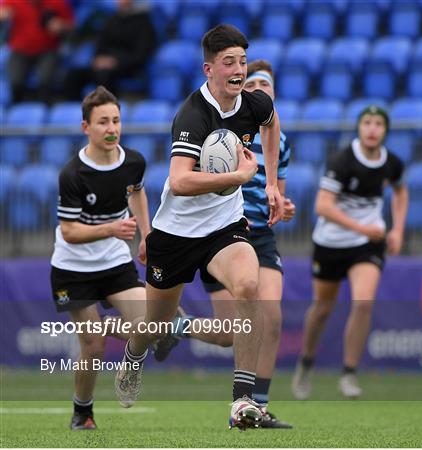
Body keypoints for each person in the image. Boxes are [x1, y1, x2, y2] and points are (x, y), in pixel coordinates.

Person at [114, 25, 284, 431]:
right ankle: (134, 356)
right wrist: (242, 177)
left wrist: (273, 184)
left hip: (224, 226)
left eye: (243, 61)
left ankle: (242, 402)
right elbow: (179, 181)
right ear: (209, 69)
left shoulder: (254, 103)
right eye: (229, 63)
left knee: (248, 286)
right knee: (152, 326)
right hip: (175, 235)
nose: (238, 69)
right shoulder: (193, 114)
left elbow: (272, 125)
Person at [152, 60, 296, 429]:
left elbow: (277, 189)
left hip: (258, 232)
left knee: (272, 315)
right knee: (232, 333)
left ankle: (254, 406)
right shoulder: (218, 127)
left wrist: (280, 198)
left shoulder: (278, 141)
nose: (258, 87)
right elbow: (183, 180)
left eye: (265, 81)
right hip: (218, 229)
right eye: (253, 81)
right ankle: (174, 327)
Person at [50, 85, 150, 430]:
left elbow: (136, 192)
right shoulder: (73, 174)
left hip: (113, 263)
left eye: (116, 121)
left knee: (151, 323)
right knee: (92, 346)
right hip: (72, 269)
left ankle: (129, 365)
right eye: (103, 122)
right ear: (86, 128)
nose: (111, 129)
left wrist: (146, 235)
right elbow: (70, 232)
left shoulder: (134, 161)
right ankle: (82, 413)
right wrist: (111, 229)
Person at [291, 105, 409, 400]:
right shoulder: (342, 160)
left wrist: (397, 230)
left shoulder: (391, 162)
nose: (372, 128)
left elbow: (401, 191)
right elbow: (322, 206)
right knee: (322, 309)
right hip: (331, 243)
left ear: (385, 130)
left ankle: (349, 373)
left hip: (367, 244)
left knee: (363, 302)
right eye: (366, 122)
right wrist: (360, 227)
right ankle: (306, 363)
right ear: (359, 128)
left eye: (378, 123)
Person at [64, 0, 156, 100]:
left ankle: (108, 110)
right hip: (105, 63)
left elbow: (141, 54)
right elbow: (100, 44)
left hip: (128, 66)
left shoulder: (144, 23)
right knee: (74, 76)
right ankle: (77, 111)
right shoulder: (112, 20)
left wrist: (116, 62)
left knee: (104, 75)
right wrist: (98, 59)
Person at [0, 0, 74, 103]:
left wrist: (61, 26)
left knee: (46, 80)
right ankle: (17, 107)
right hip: (20, 50)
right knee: (15, 81)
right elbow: (2, 13)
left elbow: (71, 26)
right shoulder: (13, 2)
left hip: (48, 50)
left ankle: (46, 108)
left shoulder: (57, 3)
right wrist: (3, 17)